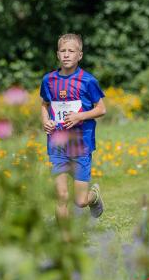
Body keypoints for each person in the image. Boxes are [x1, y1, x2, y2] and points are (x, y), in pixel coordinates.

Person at [40, 33, 106, 224]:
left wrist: (79, 116)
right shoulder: (48, 80)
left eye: (71, 51)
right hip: (57, 145)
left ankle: (94, 196)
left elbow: (101, 109)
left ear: (80, 55)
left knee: (80, 201)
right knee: (61, 196)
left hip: (81, 146)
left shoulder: (88, 81)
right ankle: (64, 241)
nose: (67, 55)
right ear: (57, 54)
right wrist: (46, 121)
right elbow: (45, 104)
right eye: (63, 51)